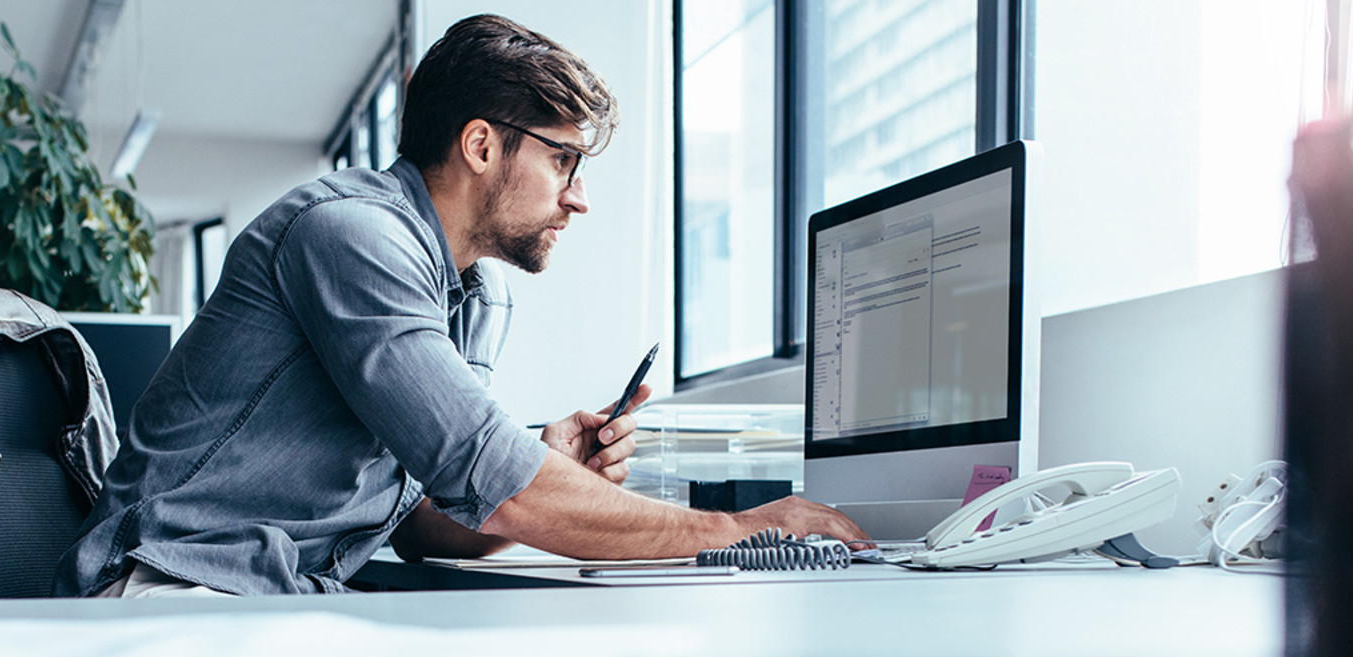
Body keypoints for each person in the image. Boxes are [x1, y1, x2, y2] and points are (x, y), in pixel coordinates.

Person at [54, 14, 866, 598]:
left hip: (280, 597)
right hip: (172, 587)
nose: (579, 197)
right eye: (564, 160)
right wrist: (744, 532)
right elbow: (497, 480)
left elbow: (417, 524)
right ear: (482, 145)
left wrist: (547, 459)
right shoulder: (350, 236)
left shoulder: (476, 291)